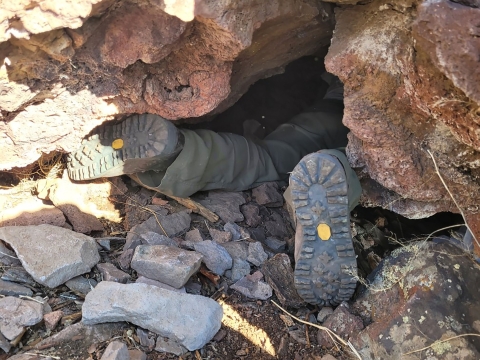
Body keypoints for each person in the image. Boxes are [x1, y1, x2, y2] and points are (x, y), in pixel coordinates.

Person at [67, 74, 361, 306]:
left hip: (331, 106)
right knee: (363, 164)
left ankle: (180, 152)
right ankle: (329, 177)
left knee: (268, 157)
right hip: (364, 117)